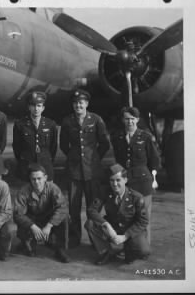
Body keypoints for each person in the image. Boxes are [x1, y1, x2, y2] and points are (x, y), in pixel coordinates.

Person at [59, 89, 110, 245]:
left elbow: (104, 143)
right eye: (75, 103)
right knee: (74, 207)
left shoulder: (96, 119)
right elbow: (63, 145)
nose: (78, 105)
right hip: (74, 171)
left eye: (81, 102)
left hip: (92, 171)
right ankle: (74, 239)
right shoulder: (67, 121)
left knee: (92, 208)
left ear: (86, 103)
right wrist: (74, 157)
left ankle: (95, 239)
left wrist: (94, 158)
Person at [110, 107, 160, 244]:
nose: (130, 122)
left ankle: (144, 246)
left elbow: (154, 161)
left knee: (144, 216)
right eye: (127, 119)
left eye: (132, 119)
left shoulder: (145, 137)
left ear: (137, 120)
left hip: (143, 181)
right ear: (122, 120)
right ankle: (128, 245)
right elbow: (118, 160)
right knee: (126, 215)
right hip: (126, 183)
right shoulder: (118, 137)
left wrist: (153, 179)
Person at [85, 164, 150, 265]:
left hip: (130, 229)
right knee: (90, 224)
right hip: (113, 226)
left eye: (118, 180)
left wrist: (125, 236)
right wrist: (106, 224)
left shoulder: (136, 197)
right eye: (111, 180)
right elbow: (92, 210)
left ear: (125, 180)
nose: (114, 184)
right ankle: (106, 252)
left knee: (143, 251)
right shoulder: (104, 192)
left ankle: (127, 248)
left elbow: (143, 221)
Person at [14, 163, 70, 263]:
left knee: (64, 217)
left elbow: (62, 207)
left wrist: (49, 225)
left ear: (45, 178)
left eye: (39, 178)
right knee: (31, 252)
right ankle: (26, 242)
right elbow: (18, 214)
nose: (36, 182)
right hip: (32, 220)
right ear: (30, 179)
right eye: (33, 179)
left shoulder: (53, 188)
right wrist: (32, 226)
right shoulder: (23, 191)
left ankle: (60, 249)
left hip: (48, 219)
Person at [13, 91, 57, 181]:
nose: (36, 109)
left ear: (43, 108)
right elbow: (17, 147)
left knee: (47, 192)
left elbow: (53, 147)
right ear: (29, 107)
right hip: (27, 166)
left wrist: (47, 159)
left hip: (45, 166)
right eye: (33, 105)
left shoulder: (50, 124)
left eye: (39, 106)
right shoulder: (20, 124)